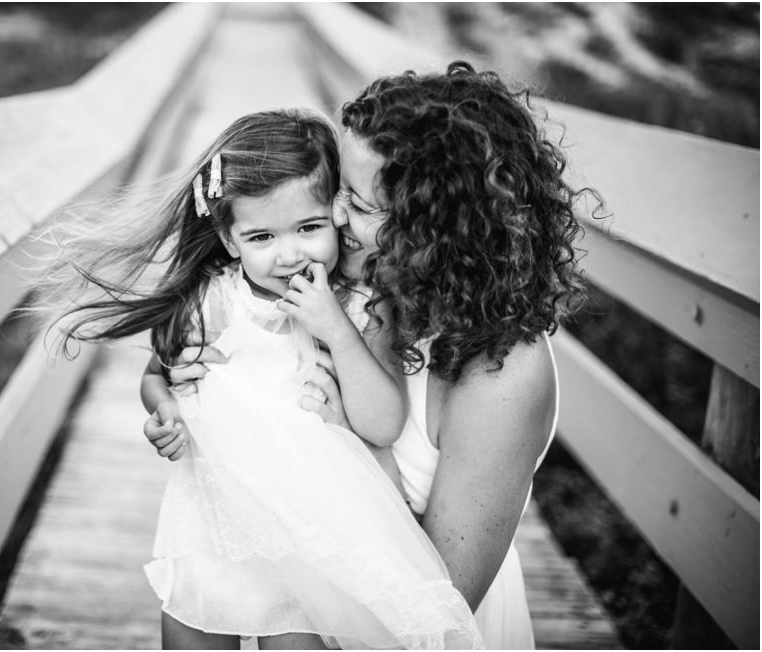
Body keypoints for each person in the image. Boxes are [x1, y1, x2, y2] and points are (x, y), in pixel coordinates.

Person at [152, 62, 599, 649]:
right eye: (339, 191)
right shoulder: (363, 286)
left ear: (432, 229)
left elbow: (437, 606)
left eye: (360, 206)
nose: (334, 217)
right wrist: (191, 377)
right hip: (310, 595)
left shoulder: (504, 374)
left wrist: (351, 443)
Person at [39, 108, 483, 650]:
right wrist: (165, 410)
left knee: (295, 638)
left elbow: (383, 424)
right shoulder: (214, 300)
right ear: (230, 240)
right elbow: (157, 377)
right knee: (193, 629)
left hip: (311, 528)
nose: (289, 254)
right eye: (261, 236)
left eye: (309, 227)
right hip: (217, 515)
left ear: (337, 213)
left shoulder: (363, 306)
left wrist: (334, 327)